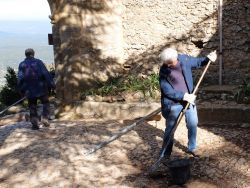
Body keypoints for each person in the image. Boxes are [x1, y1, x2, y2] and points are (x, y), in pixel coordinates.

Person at [158, 48, 217, 159]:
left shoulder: (184, 59)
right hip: (174, 103)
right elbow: (167, 91)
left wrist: (208, 59)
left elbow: (198, 62)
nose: (168, 66)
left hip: (189, 101)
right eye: (166, 64)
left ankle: (192, 147)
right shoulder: (164, 70)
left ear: (176, 58)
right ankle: (165, 154)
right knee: (170, 129)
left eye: (170, 63)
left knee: (193, 123)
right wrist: (184, 96)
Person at [17, 48, 55, 130]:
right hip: (41, 88)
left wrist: (20, 90)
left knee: (32, 106)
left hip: (29, 90)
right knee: (45, 103)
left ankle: (34, 124)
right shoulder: (38, 62)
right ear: (33, 54)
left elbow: (20, 78)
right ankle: (45, 118)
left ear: (25, 55)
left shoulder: (22, 64)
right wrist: (52, 85)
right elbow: (46, 74)